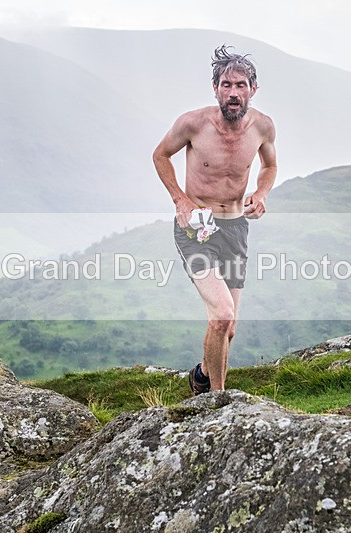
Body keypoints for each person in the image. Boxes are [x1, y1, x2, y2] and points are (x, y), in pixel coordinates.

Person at [153, 45, 277, 394]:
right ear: (215, 89)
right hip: (196, 229)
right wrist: (180, 200)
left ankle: (203, 376)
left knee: (228, 326)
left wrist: (261, 193)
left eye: (240, 85)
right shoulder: (193, 123)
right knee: (221, 314)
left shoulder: (263, 127)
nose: (233, 92)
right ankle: (216, 402)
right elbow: (160, 155)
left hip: (235, 228)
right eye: (226, 84)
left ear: (253, 88)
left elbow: (270, 166)